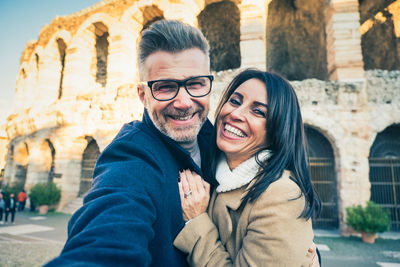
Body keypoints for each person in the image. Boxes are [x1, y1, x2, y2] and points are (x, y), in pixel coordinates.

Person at [45, 20, 214, 266]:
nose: (184, 102)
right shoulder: (132, 157)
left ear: (209, 86)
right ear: (143, 96)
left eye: (195, 84)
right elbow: (107, 236)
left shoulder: (224, 140)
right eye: (165, 87)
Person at [174, 69, 321, 266]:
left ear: (277, 130)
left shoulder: (281, 195)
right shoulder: (218, 173)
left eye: (258, 111)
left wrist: (197, 221)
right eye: (235, 101)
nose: (235, 113)